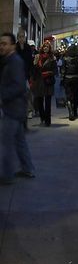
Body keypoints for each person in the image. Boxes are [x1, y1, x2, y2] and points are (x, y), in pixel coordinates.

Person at [0, 32, 36, 184]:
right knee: (19, 141)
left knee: (6, 143)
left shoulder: (15, 61)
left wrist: (2, 97)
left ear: (13, 45)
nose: (1, 46)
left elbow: (18, 86)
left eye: (5, 44)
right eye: (0, 43)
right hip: (15, 108)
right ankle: (28, 168)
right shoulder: (8, 60)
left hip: (13, 109)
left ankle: (6, 175)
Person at [31, 42, 57, 127]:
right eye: (44, 47)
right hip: (39, 82)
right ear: (42, 48)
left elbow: (55, 71)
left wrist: (48, 73)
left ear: (49, 48)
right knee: (40, 101)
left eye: (47, 47)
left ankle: (47, 121)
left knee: (48, 102)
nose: (46, 48)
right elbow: (34, 71)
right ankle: (42, 118)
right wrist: (34, 64)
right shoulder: (37, 57)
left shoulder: (52, 58)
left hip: (48, 82)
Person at [15, 30, 34, 121]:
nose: (22, 38)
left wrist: (30, 74)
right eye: (20, 36)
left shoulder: (28, 48)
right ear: (18, 37)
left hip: (26, 74)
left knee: (27, 92)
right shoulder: (15, 47)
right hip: (16, 74)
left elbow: (30, 62)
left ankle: (29, 110)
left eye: (23, 37)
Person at [61, 45, 78, 121]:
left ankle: (71, 112)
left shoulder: (65, 59)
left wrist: (62, 79)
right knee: (76, 95)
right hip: (76, 78)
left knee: (68, 96)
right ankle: (75, 110)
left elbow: (63, 70)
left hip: (67, 78)